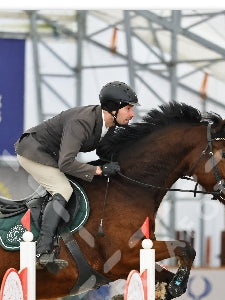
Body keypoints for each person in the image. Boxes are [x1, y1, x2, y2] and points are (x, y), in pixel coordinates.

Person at [14, 81, 138, 270]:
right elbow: (66, 163)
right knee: (63, 189)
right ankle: (42, 251)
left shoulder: (109, 124)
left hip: (53, 155)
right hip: (33, 152)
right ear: (113, 109)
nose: (132, 114)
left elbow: (104, 151)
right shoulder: (82, 122)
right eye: (128, 108)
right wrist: (98, 170)